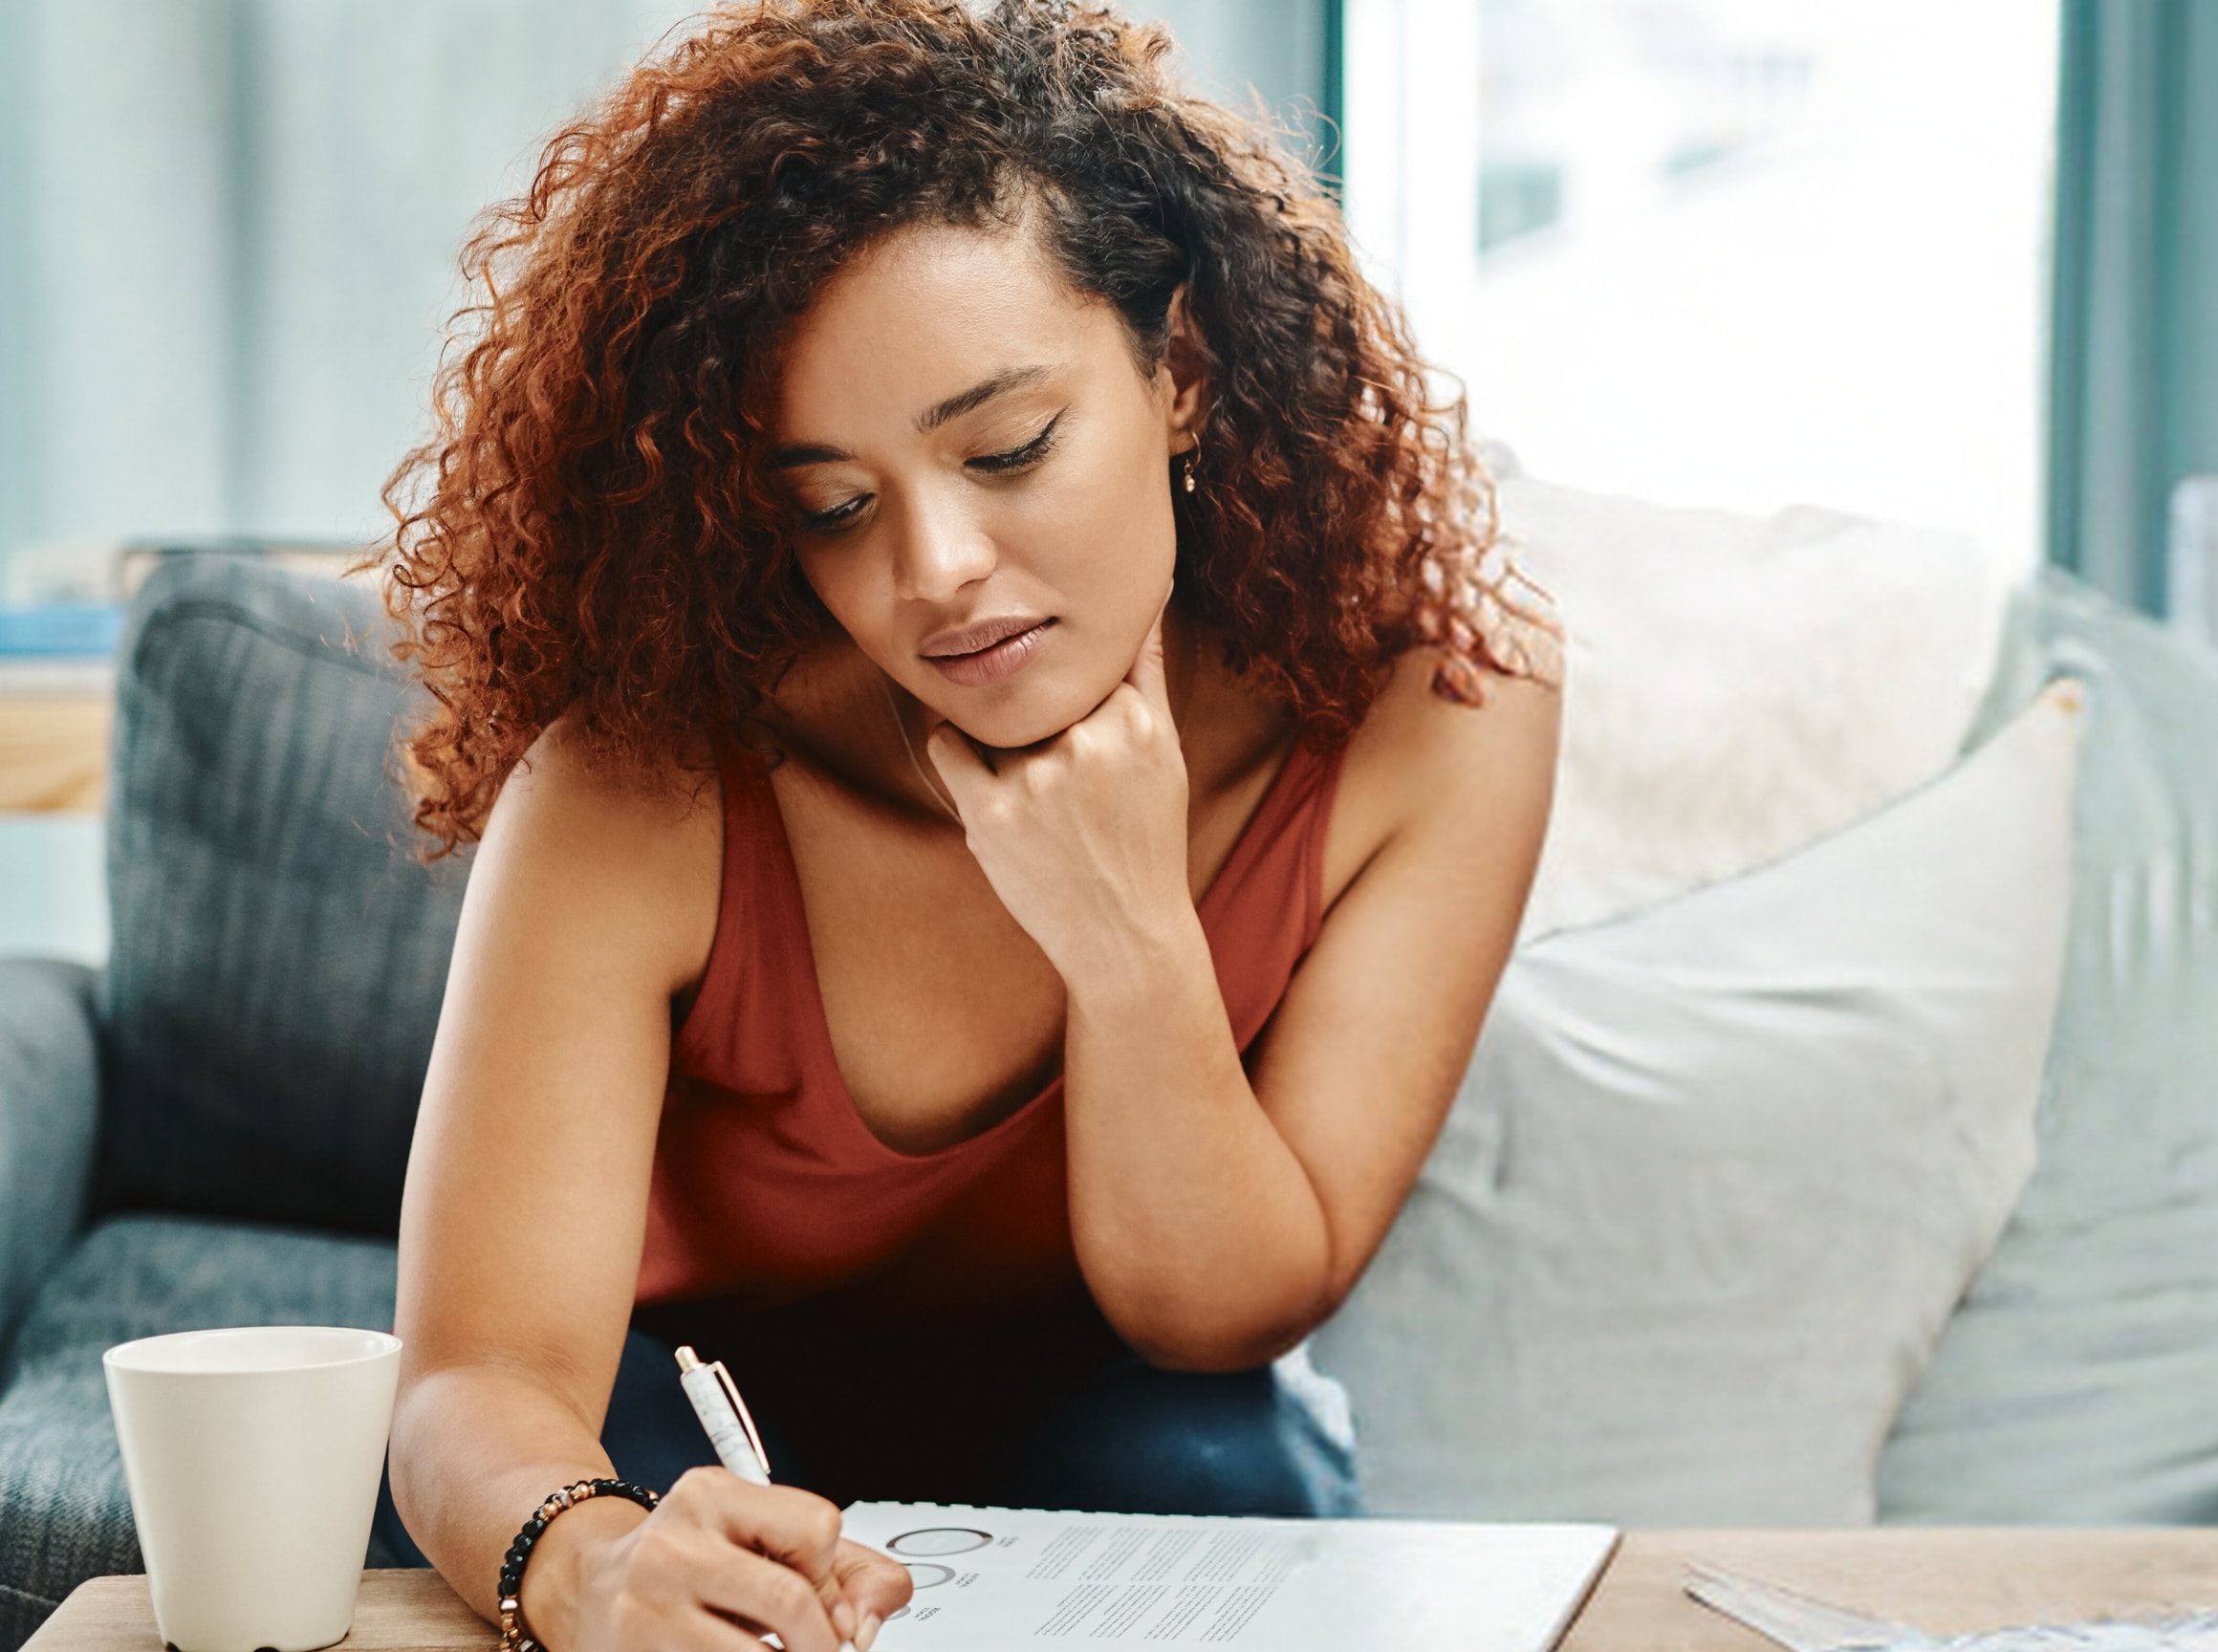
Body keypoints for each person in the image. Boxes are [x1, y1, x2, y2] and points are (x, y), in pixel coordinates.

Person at [374, 3, 1557, 1649]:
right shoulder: (643, 784)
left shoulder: (1444, 710)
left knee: (1242, 1489)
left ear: (1187, 371)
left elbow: (1221, 1319)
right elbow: (477, 1378)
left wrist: (1127, 928)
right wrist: (584, 1563)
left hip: (1126, 1412)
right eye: (834, 509)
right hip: (686, 1416)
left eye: (1008, 449)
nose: (932, 571)